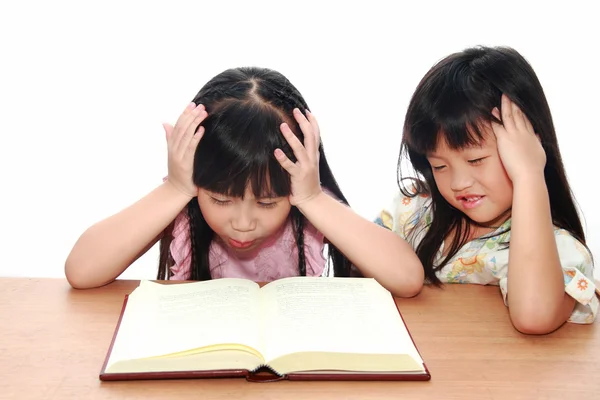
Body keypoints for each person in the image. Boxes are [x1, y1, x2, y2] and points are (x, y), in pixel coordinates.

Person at [65, 67, 424, 296]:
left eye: (267, 203)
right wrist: (175, 189)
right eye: (221, 200)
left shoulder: (308, 201)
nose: (242, 222)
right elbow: (81, 271)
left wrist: (313, 199)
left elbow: (407, 278)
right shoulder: (182, 198)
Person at [375, 46, 598, 334]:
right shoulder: (415, 211)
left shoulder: (558, 250)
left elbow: (534, 316)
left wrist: (529, 175)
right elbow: (356, 268)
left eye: (476, 160)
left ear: (530, 147)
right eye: (439, 166)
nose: (458, 183)